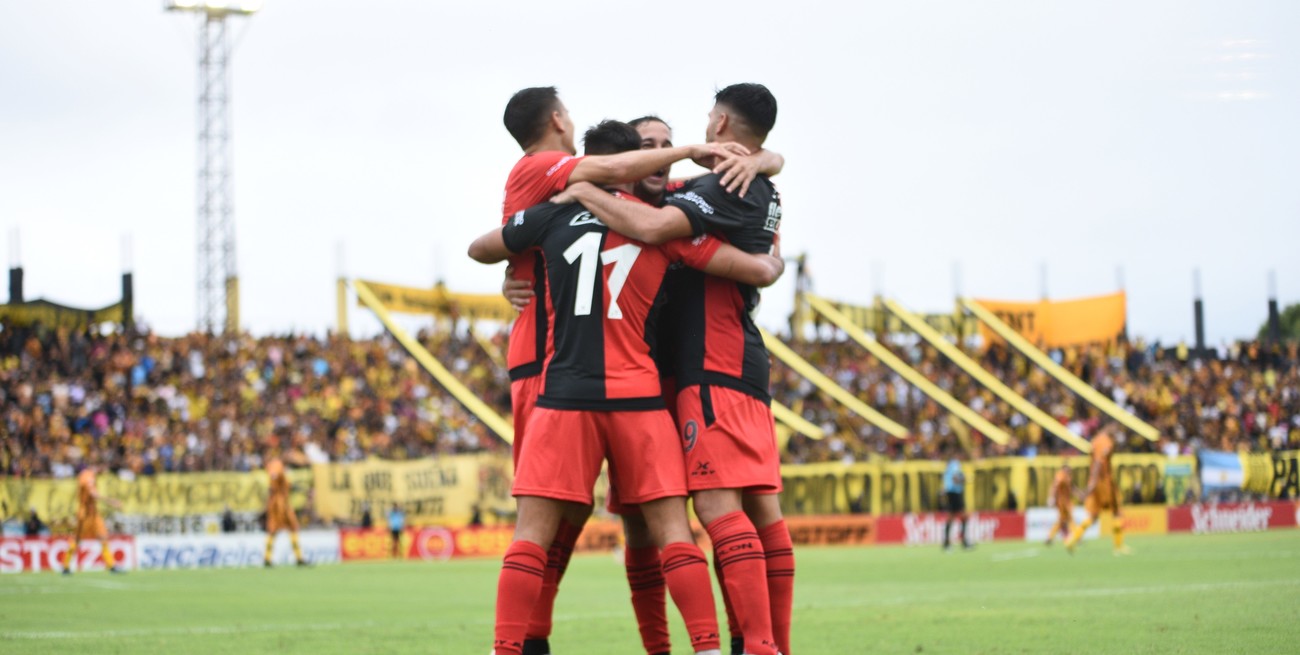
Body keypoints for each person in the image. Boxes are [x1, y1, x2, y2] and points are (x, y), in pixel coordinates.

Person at [470, 119, 785, 655]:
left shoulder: (551, 214)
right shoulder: (658, 226)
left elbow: (480, 247)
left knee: (530, 537)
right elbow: (748, 268)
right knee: (674, 534)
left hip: (564, 396)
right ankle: (709, 648)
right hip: (639, 398)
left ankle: (508, 649)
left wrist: (515, 266)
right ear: (630, 166)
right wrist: (770, 261)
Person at [554, 84, 791, 655]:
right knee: (647, 523)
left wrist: (582, 189)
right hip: (649, 381)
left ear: (721, 124)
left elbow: (665, 233)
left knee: (725, 509)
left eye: (670, 143)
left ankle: (759, 646)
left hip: (707, 367)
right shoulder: (668, 195)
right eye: (649, 147)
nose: (663, 154)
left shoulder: (706, 193)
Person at [1065, 428, 1131, 555]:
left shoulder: (1095, 441)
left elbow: (1094, 461)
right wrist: (1092, 484)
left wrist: (1092, 483)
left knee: (1093, 516)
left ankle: (1072, 539)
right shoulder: (1106, 442)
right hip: (1104, 482)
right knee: (1117, 512)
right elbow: (1098, 462)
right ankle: (1118, 547)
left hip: (1096, 482)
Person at [61, 465, 123, 574]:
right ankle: (65, 566)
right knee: (77, 540)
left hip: (94, 513)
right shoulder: (88, 476)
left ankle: (111, 565)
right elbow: (93, 494)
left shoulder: (87, 476)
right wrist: (111, 501)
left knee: (103, 537)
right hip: (85, 514)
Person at [263, 457, 308, 567]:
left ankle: (267, 558)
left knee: (272, 530)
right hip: (281, 504)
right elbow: (275, 476)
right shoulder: (277, 463)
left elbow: (284, 484)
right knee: (292, 527)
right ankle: (299, 558)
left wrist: (300, 489)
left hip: (275, 503)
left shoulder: (276, 465)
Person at [941, 450, 971, 551]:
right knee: (963, 516)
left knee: (952, 516)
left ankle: (947, 543)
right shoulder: (955, 464)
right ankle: (964, 542)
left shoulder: (949, 465)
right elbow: (955, 478)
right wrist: (964, 479)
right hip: (955, 492)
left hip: (951, 492)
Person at [1044, 464, 1074, 546]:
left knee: (1063, 520)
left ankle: (1050, 537)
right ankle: (1075, 537)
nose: (1069, 471)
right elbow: (1054, 487)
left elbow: (1071, 489)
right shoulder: (1060, 476)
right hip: (1062, 502)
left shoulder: (1068, 477)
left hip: (1066, 502)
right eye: (1067, 470)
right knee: (1067, 519)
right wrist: (1051, 497)